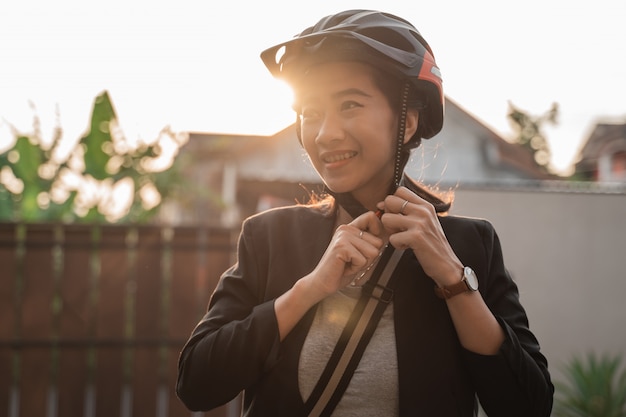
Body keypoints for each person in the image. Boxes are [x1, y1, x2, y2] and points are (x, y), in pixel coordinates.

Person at [176, 9, 553, 417]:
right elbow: (197, 383)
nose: (324, 133)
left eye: (350, 104)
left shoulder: (469, 246)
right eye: (310, 113)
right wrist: (311, 288)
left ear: (406, 123)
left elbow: (528, 406)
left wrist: (453, 279)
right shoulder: (270, 237)